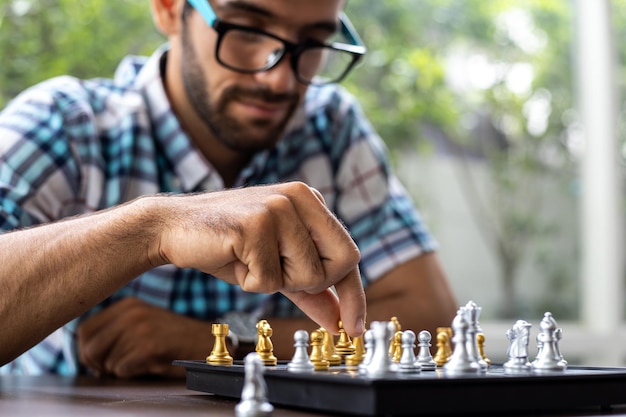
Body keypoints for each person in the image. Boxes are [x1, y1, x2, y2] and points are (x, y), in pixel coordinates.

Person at [0, 0, 457, 378]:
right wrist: (151, 229)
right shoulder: (63, 124)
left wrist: (219, 341)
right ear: (168, 9)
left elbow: (433, 320)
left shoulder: (331, 126)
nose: (277, 78)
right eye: (246, 29)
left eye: (313, 43)